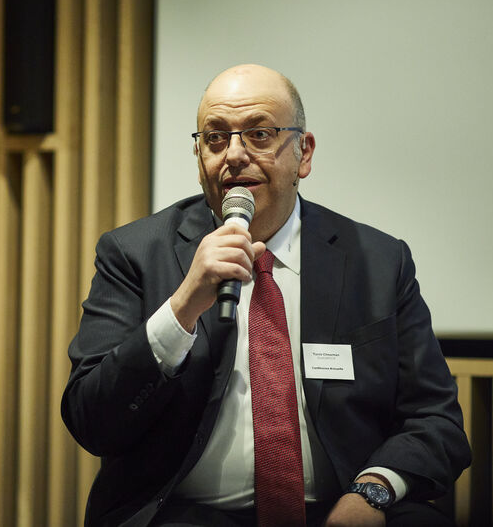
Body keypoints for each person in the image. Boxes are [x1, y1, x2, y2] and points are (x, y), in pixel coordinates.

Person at [61, 64, 471, 526]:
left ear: (304, 153)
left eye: (259, 134)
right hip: (185, 512)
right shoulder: (134, 253)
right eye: (215, 138)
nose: (234, 155)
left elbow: (436, 421)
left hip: (344, 507)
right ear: (200, 159)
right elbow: (92, 421)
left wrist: (371, 491)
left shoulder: (378, 261)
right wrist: (182, 307)